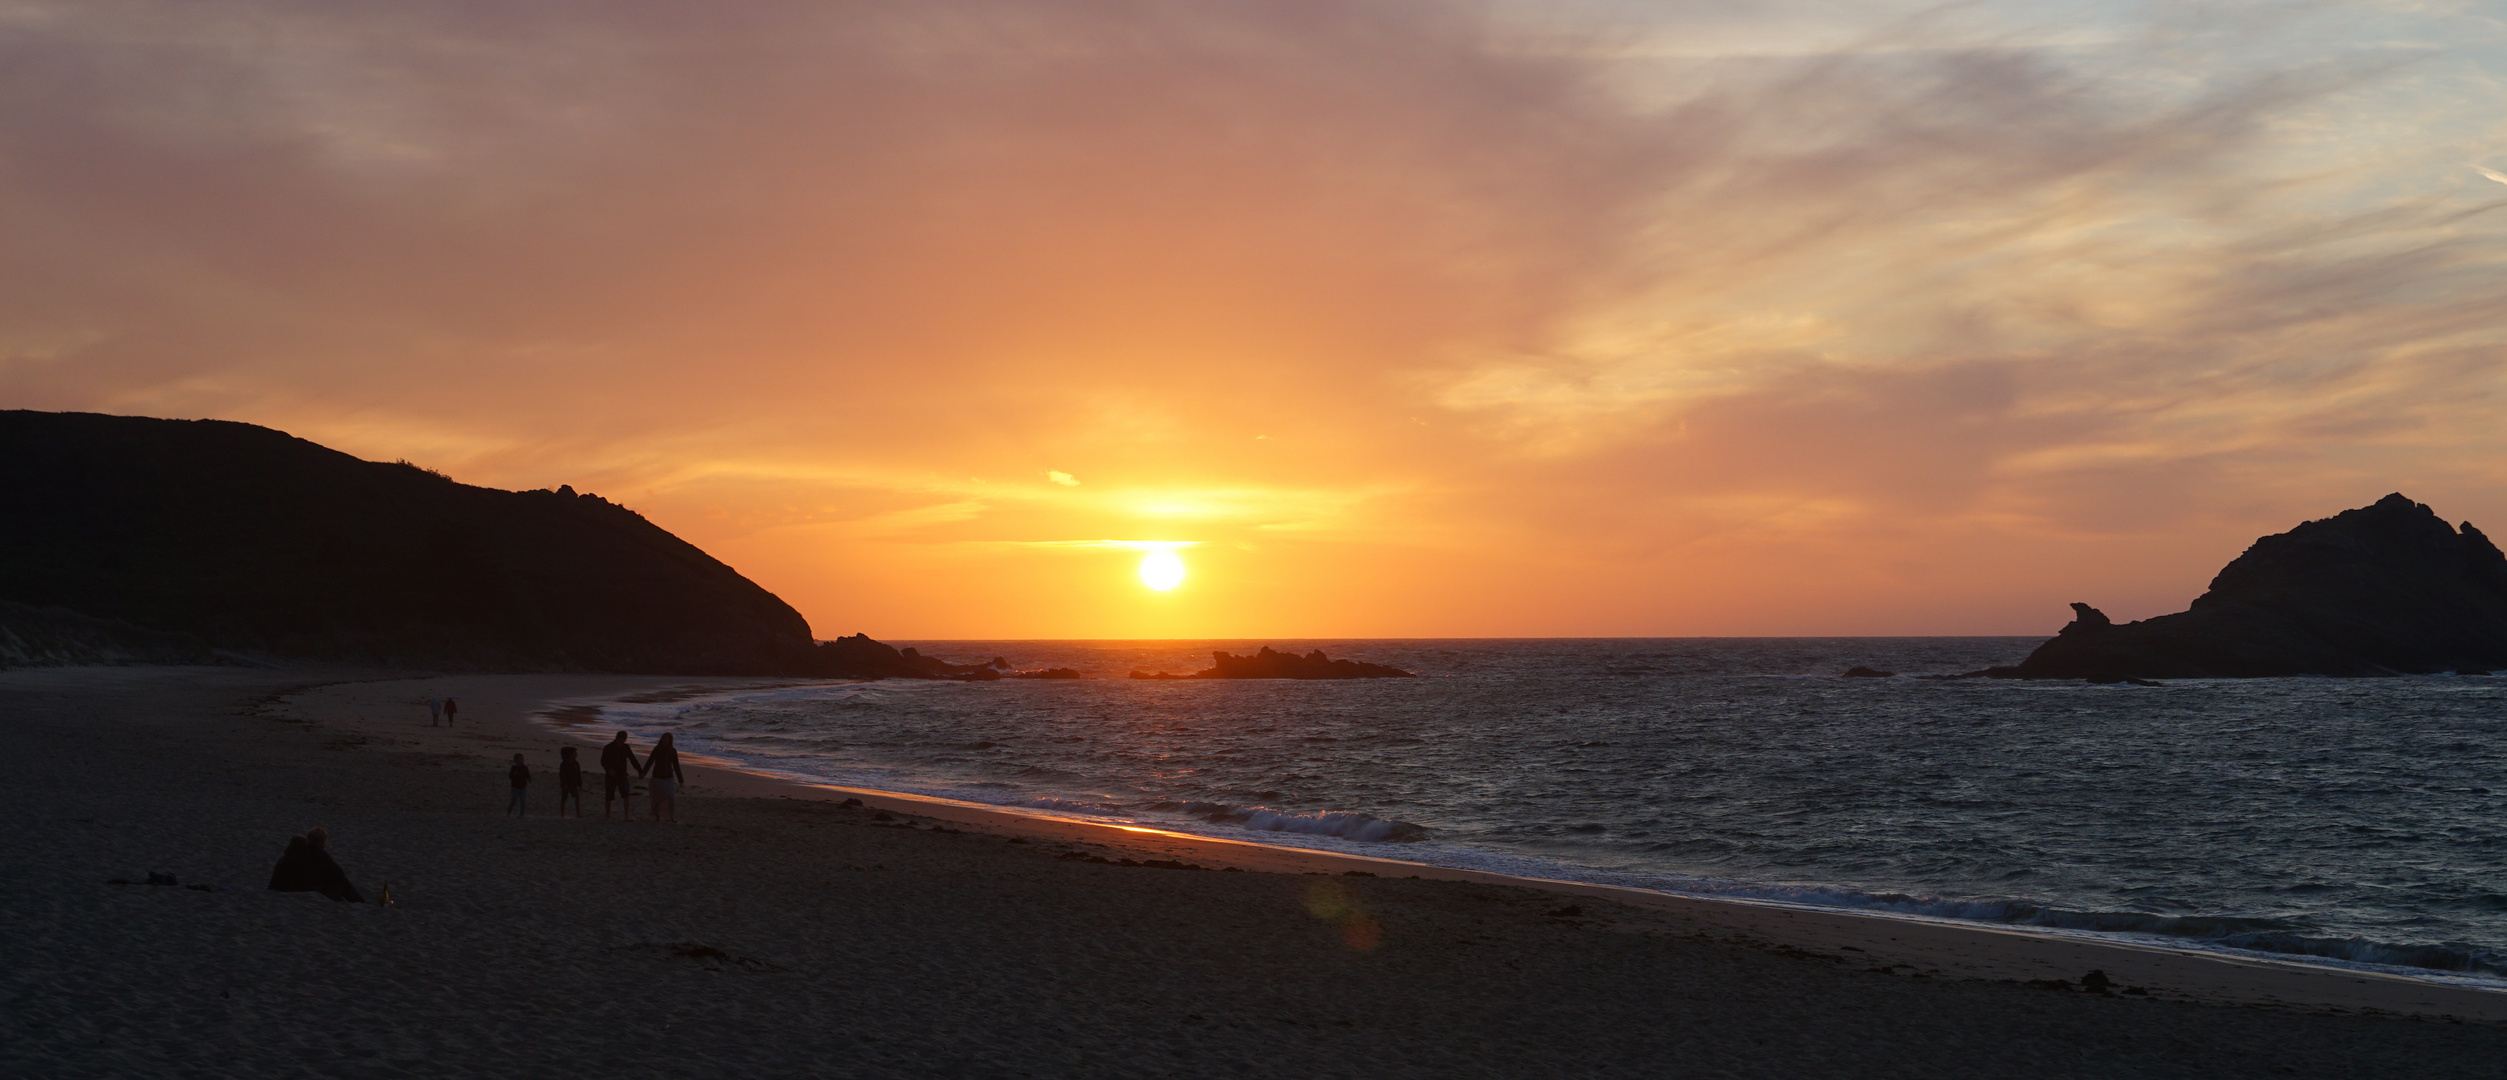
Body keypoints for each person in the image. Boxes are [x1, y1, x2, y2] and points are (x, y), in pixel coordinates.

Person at [267, 826, 364, 902]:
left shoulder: (292, 853)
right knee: (343, 882)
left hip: (282, 888)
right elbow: (339, 874)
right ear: (321, 842)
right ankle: (359, 902)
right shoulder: (319, 854)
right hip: (303, 890)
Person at [600, 731, 643, 819]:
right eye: (622, 739)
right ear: (617, 738)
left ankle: (626, 816)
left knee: (626, 795)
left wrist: (639, 770)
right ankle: (607, 815)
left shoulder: (626, 747)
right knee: (609, 795)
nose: (623, 741)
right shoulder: (608, 747)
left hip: (622, 774)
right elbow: (603, 761)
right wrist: (609, 770)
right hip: (611, 775)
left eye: (624, 739)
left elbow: (632, 759)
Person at [647, 732, 684, 823]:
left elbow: (676, 765)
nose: (665, 741)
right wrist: (643, 772)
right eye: (664, 739)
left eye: (667, 739)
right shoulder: (657, 749)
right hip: (657, 777)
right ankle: (658, 817)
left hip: (668, 778)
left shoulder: (672, 751)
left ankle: (671, 817)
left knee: (671, 797)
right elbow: (650, 761)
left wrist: (680, 779)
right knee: (658, 799)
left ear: (670, 740)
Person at [556, 746, 584, 818]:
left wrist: (580, 784)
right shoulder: (564, 764)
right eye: (575, 753)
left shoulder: (576, 763)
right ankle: (562, 814)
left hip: (573, 784)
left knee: (577, 797)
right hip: (566, 784)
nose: (576, 755)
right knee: (564, 799)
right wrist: (564, 783)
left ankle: (578, 813)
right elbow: (562, 775)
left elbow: (578, 774)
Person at [506, 752, 531, 817]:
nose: (522, 760)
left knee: (523, 801)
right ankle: (508, 812)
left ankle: (521, 814)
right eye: (520, 759)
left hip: (523, 787)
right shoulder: (514, 768)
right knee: (513, 801)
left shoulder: (525, 767)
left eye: (522, 759)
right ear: (516, 761)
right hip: (515, 787)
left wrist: (529, 779)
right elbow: (510, 776)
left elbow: (527, 774)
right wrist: (514, 774)